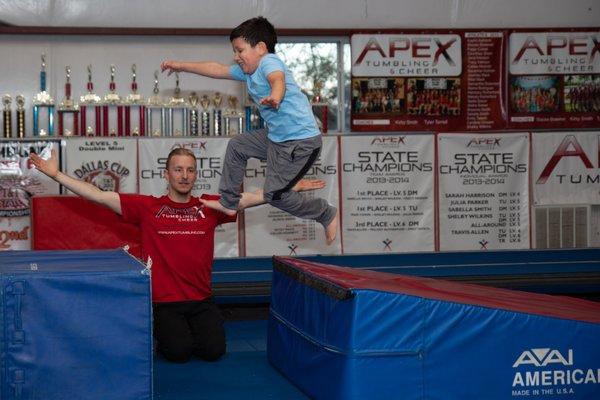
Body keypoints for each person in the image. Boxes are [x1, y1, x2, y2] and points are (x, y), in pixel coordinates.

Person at [29, 147, 324, 363]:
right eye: (178, 170)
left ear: (196, 175)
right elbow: (97, 194)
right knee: (178, 353)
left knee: (213, 352)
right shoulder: (147, 207)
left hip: (201, 300)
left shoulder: (209, 206)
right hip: (164, 302)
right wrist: (56, 175)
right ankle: (167, 333)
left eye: (190, 170)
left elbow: (250, 199)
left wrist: (286, 187)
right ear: (166, 174)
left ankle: (191, 330)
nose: (184, 176)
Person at [160, 16, 339, 245]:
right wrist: (181, 66)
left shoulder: (269, 62)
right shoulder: (248, 72)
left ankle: (325, 213)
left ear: (261, 48)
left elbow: (278, 79)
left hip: (301, 142)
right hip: (275, 138)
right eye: (234, 51)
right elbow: (216, 69)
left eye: (240, 50)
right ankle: (229, 201)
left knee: (275, 196)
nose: (236, 57)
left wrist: (276, 96)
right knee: (237, 145)